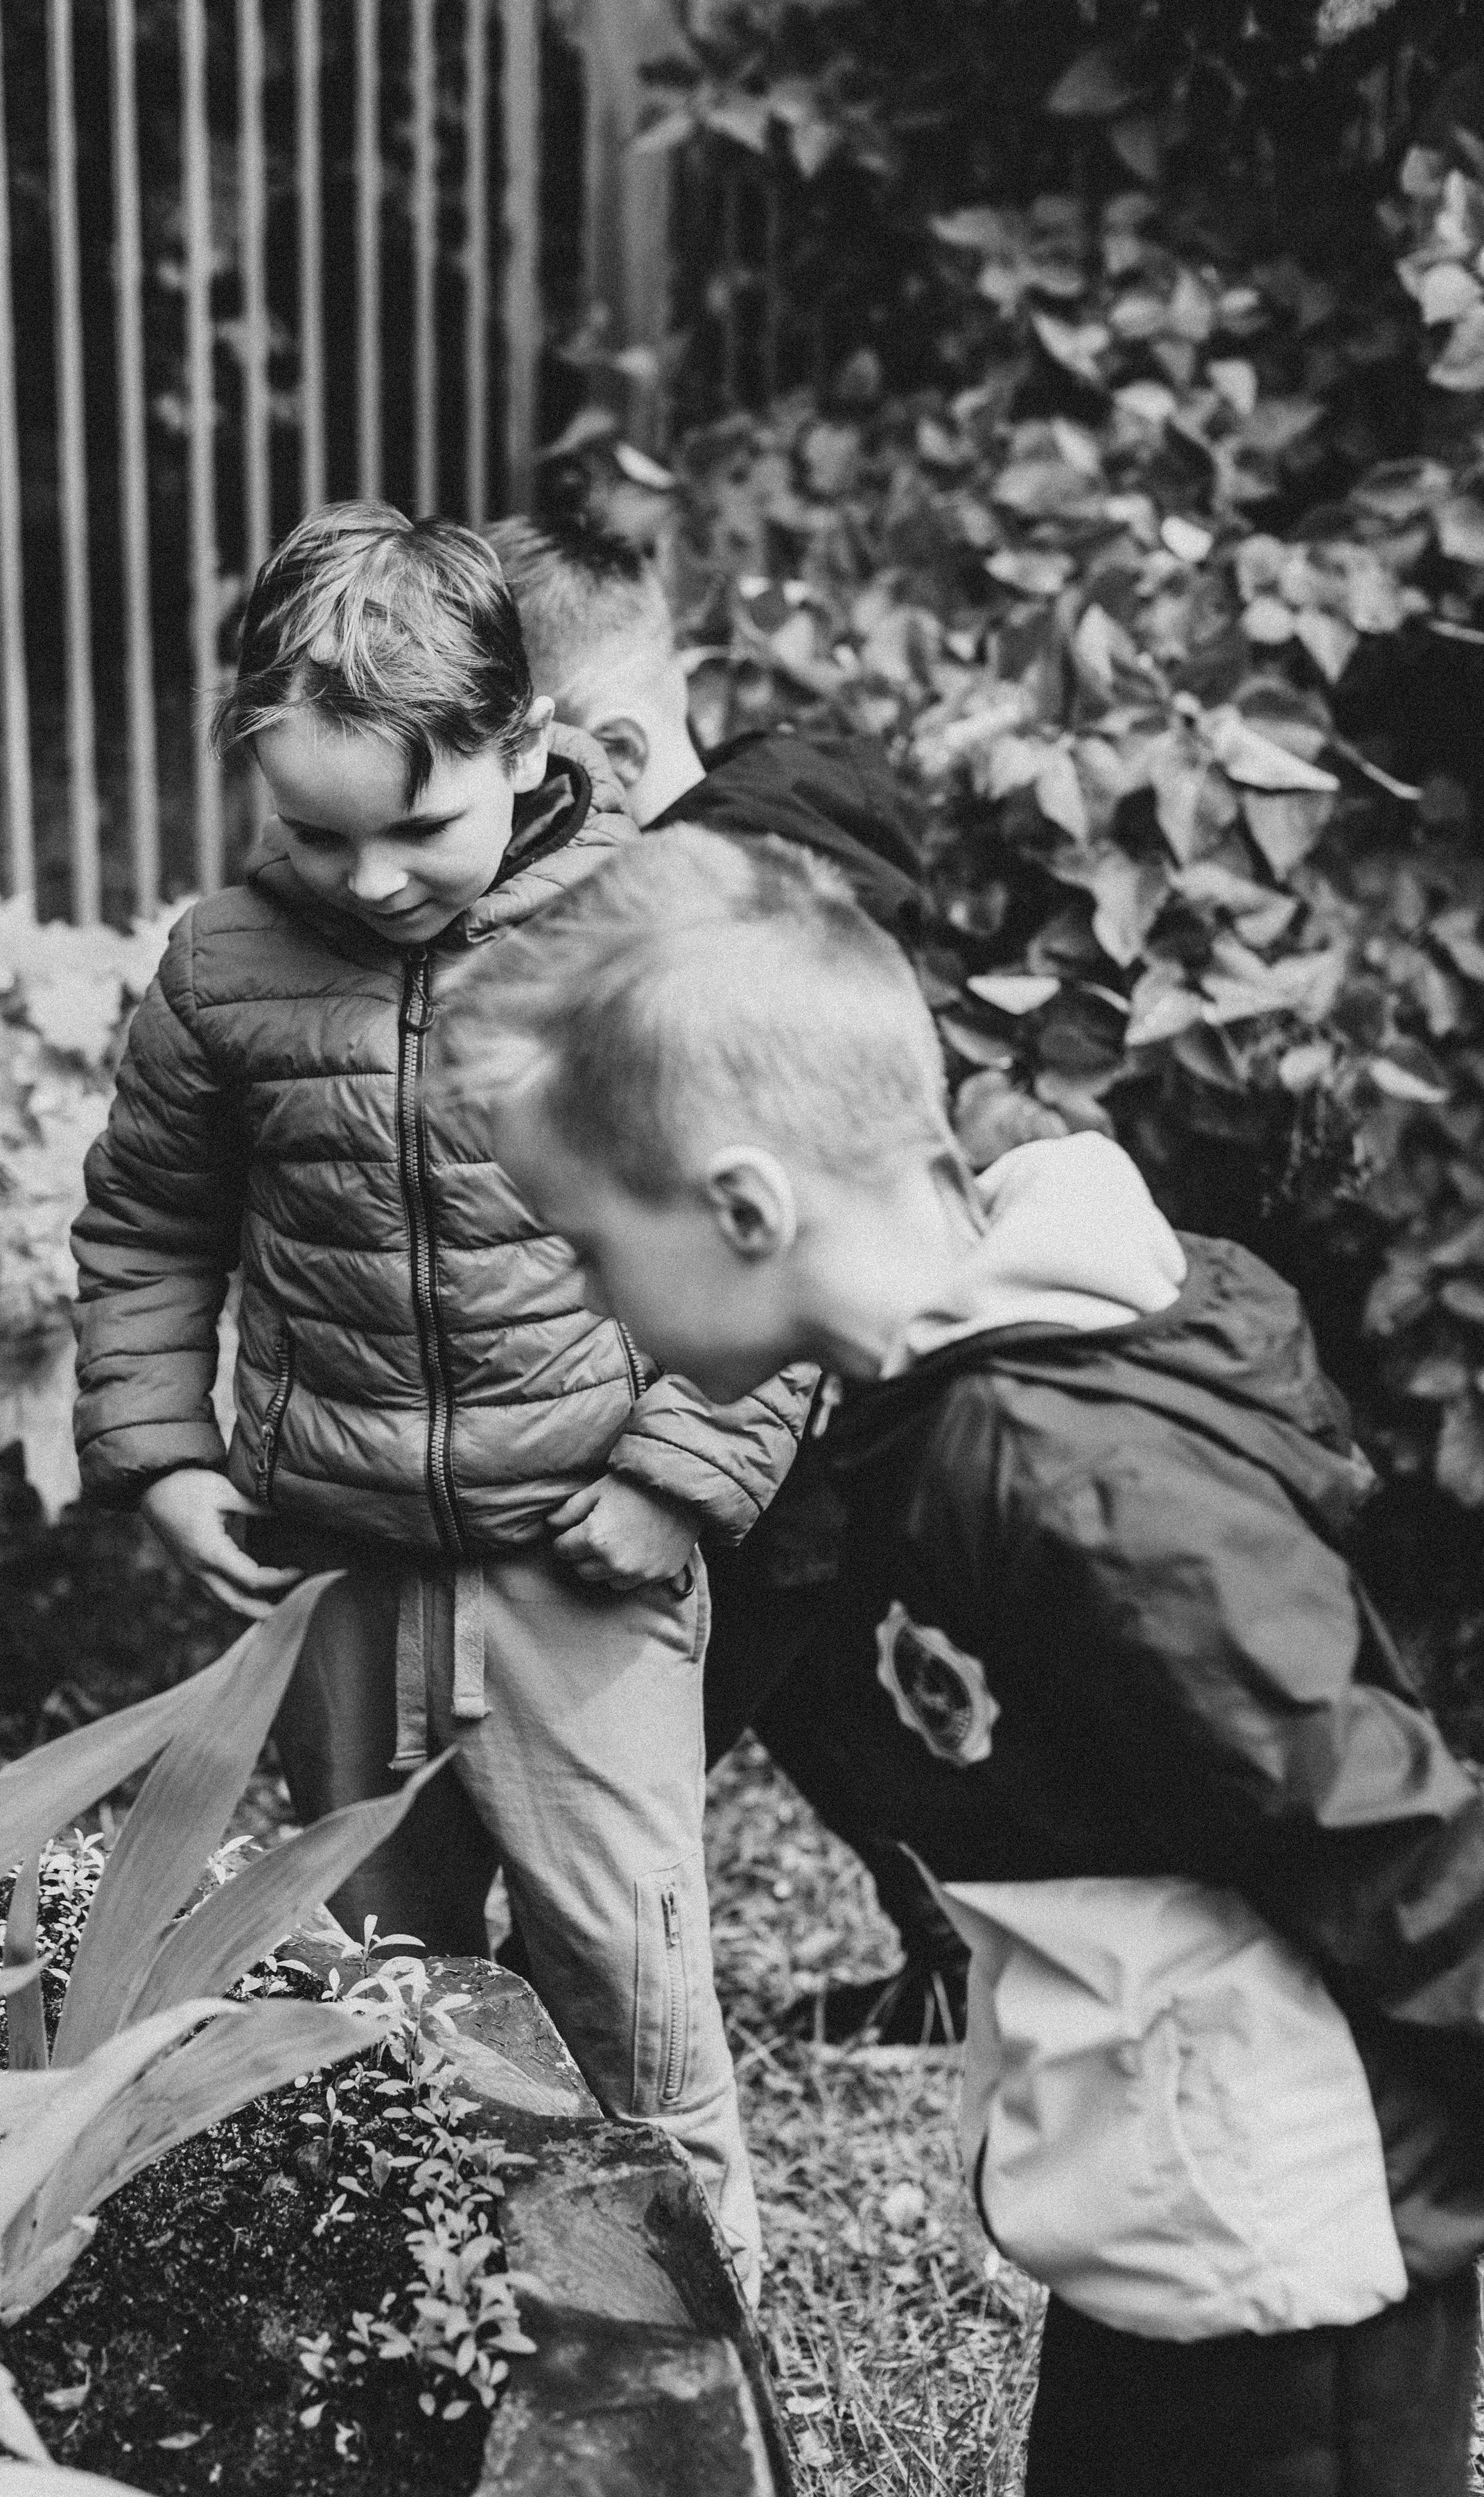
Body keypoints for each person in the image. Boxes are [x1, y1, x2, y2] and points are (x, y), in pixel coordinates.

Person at [437, 822, 1484, 2497]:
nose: (589, 1299)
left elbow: (1384, 1829)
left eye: (591, 1248)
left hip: (1286, 2244)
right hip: (1144, 2193)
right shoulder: (919, 1406)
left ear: (746, 1209)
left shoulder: (1075, 1488)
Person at [71, 507, 813, 2299]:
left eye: (421, 826)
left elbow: (778, 1224)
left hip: (584, 1569)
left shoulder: (646, 942)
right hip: (338, 1568)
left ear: (525, 744)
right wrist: (161, 1455)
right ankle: (436, 2305)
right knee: (376, 1979)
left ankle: (698, 2336)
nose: (374, 878)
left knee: (627, 1978)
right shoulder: (226, 967)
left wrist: (676, 1475)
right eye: (318, 830)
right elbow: (150, 1227)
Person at [489, 513, 968, 2042]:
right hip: (792, 1439)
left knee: (627, 1760)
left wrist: (677, 1481)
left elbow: (788, 1237)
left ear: (609, 754)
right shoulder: (744, 854)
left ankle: (555, 2006)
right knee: (832, 1699)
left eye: (515, 778)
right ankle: (953, 1947)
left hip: (780, 1437)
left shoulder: (720, 919)